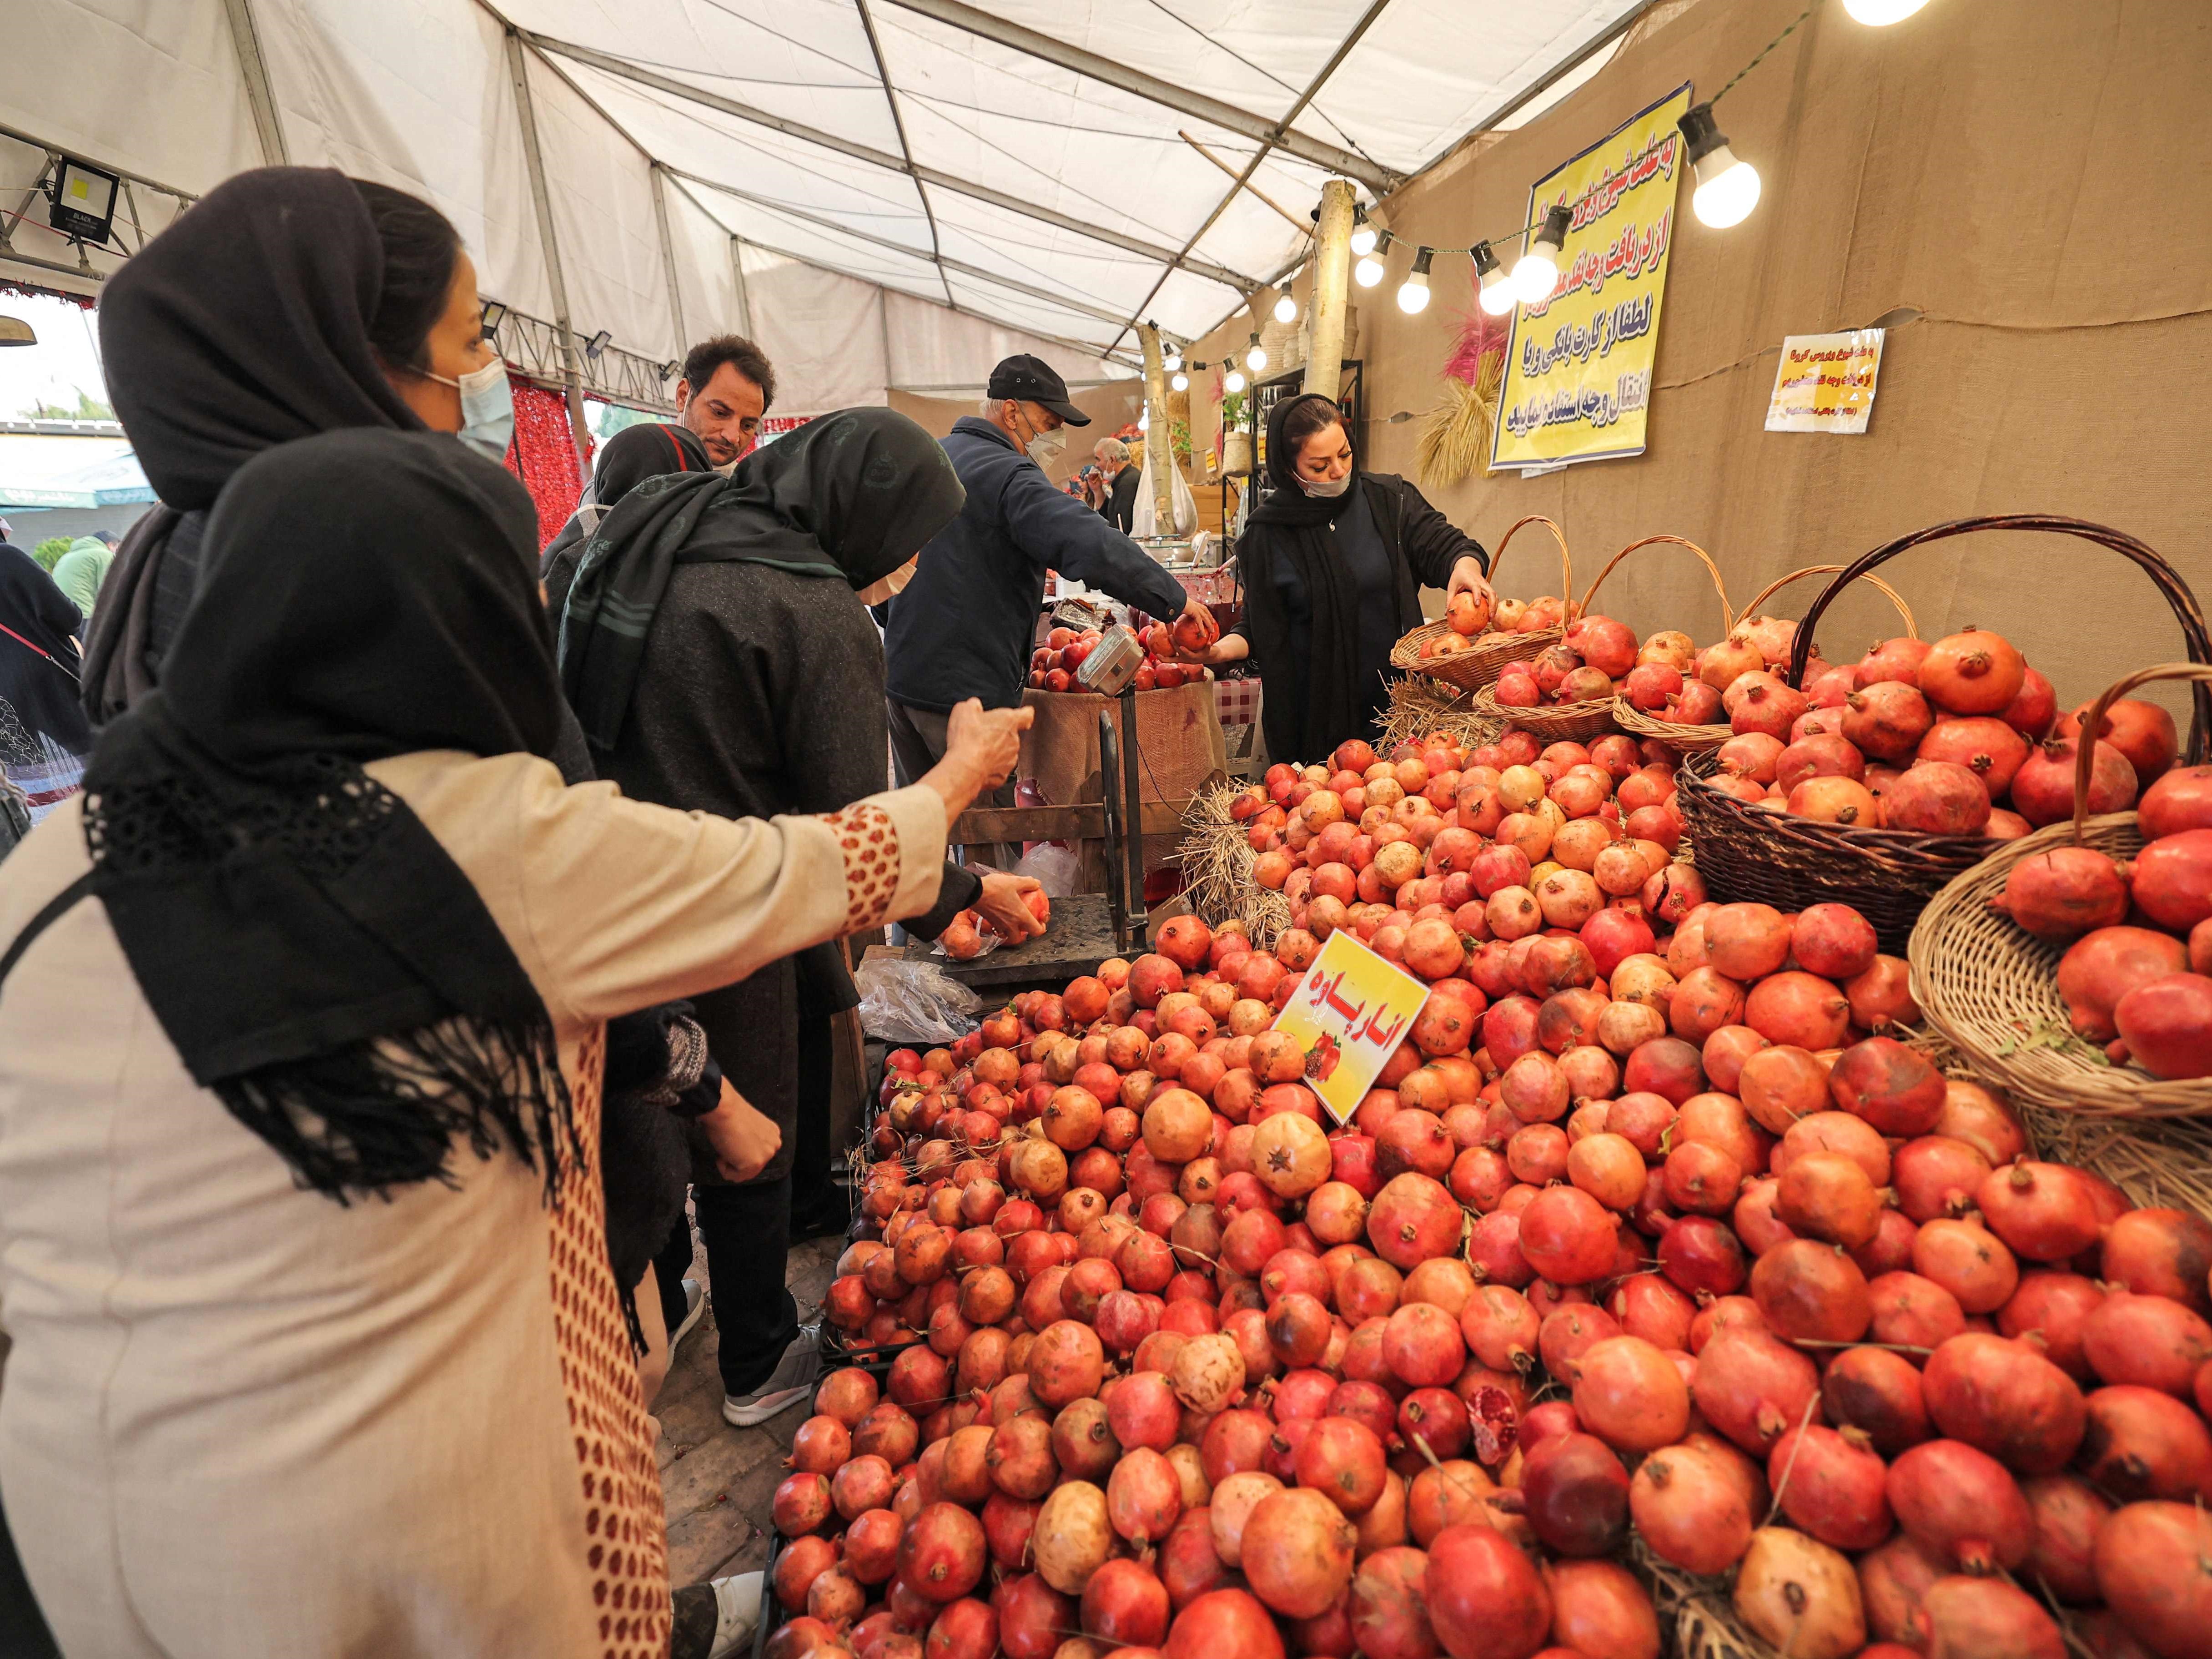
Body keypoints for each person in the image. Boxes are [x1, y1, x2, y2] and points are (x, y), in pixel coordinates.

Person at [545, 412, 1041, 1427]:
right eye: (905, 540)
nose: (902, 566)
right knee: (746, 1124)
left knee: (649, 1092)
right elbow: (854, 830)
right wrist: (966, 851)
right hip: (735, 899)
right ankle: (758, 1358)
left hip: (609, 872)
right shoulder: (813, 607)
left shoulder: (669, 518)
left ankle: (672, 1294)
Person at [885, 355, 1212, 799]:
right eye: (1049, 420)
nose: (1055, 435)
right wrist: (1171, 598)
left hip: (904, 684)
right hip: (964, 700)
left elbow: (884, 565)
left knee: (920, 835)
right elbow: (1084, 538)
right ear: (1012, 412)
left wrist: (906, 625)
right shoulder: (1008, 473)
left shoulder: (930, 459)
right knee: (987, 843)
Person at [1195, 392, 1494, 763]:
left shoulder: (1389, 501)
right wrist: (1218, 651)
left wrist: (1465, 568)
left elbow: (1447, 545)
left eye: (1345, 454)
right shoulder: (1269, 533)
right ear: (1288, 469)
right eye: (1318, 466)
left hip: (1399, 713)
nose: (1337, 471)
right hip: (1313, 725)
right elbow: (1259, 628)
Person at [0, 535, 95, 822]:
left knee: (29, 773)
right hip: (44, 680)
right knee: (84, 765)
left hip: (5, 700)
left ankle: (56, 840)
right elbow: (67, 617)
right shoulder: (8, 558)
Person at [674, 334, 774, 471]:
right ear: (683, 396)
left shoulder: (745, 488)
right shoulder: (639, 464)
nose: (732, 437)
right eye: (720, 413)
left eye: (747, 426)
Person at [47, 535, 115, 627]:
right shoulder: (104, 554)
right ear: (110, 545)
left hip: (61, 613)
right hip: (84, 614)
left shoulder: (66, 556)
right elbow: (108, 590)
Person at [1087, 436, 1142, 532]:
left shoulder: (1127, 484)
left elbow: (1121, 528)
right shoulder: (1125, 480)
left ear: (1112, 460)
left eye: (1099, 460)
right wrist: (1098, 490)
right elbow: (1111, 517)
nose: (1097, 465)